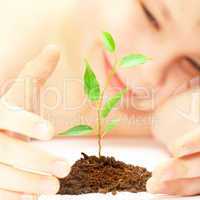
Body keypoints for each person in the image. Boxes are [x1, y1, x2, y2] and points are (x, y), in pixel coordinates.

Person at [0, 0, 199, 198]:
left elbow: (184, 115)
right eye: (150, 15)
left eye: (194, 64)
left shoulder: (174, 95)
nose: (149, 72)